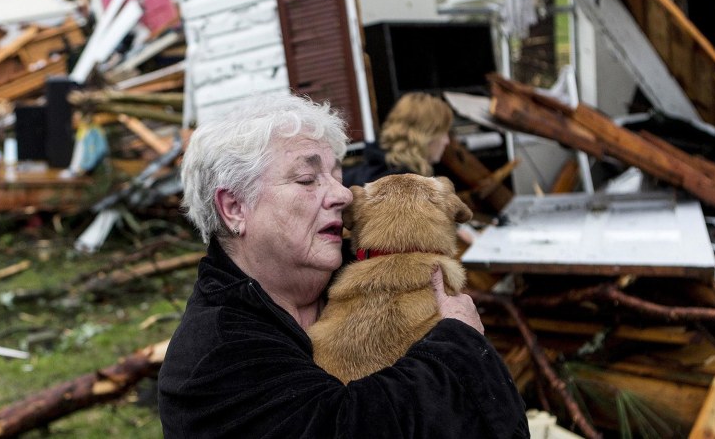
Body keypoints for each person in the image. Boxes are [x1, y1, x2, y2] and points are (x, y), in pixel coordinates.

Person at [158, 92, 528, 438]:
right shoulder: (212, 358)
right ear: (235, 208)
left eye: (336, 174)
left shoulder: (366, 273)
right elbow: (346, 424)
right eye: (307, 179)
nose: (343, 193)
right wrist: (458, 345)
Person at [342, 92, 454, 188]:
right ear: (427, 134)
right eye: (444, 133)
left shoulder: (368, 170)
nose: (447, 141)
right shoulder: (406, 186)